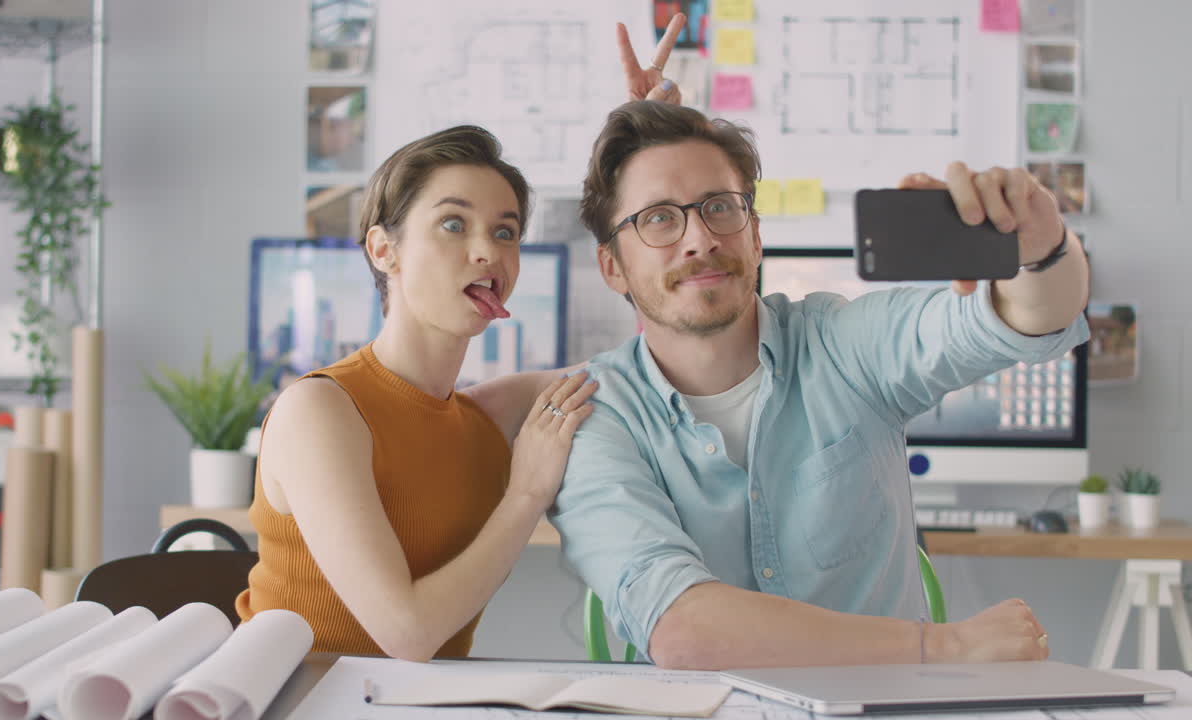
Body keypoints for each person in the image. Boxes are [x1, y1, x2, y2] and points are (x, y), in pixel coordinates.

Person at [547, 23, 1091, 670]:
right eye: (659, 218)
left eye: (719, 207)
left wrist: (1042, 247)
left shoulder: (843, 343)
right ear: (612, 267)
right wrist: (942, 647)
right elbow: (685, 630)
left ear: (755, 235)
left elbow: (1018, 320)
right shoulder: (595, 416)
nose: (698, 239)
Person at [235, 125, 597, 661]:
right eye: (454, 224)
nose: (487, 252)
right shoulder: (318, 410)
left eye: (506, 232)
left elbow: (652, 369)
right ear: (384, 250)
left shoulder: (486, 416)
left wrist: (656, 142)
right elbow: (408, 633)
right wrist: (527, 494)